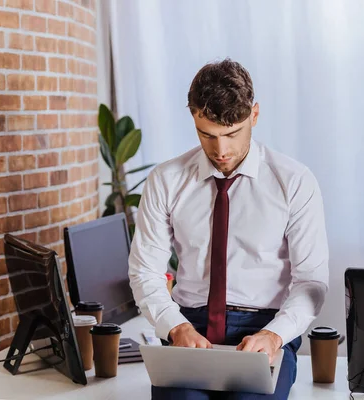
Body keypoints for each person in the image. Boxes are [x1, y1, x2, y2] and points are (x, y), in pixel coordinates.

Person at [128, 59, 329, 400]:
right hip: (189, 327)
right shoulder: (166, 180)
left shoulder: (294, 181)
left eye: (232, 133)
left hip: (262, 328)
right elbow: (145, 270)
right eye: (207, 134)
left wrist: (275, 336)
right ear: (192, 117)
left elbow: (310, 281)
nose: (220, 151)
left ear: (254, 115)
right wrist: (175, 327)